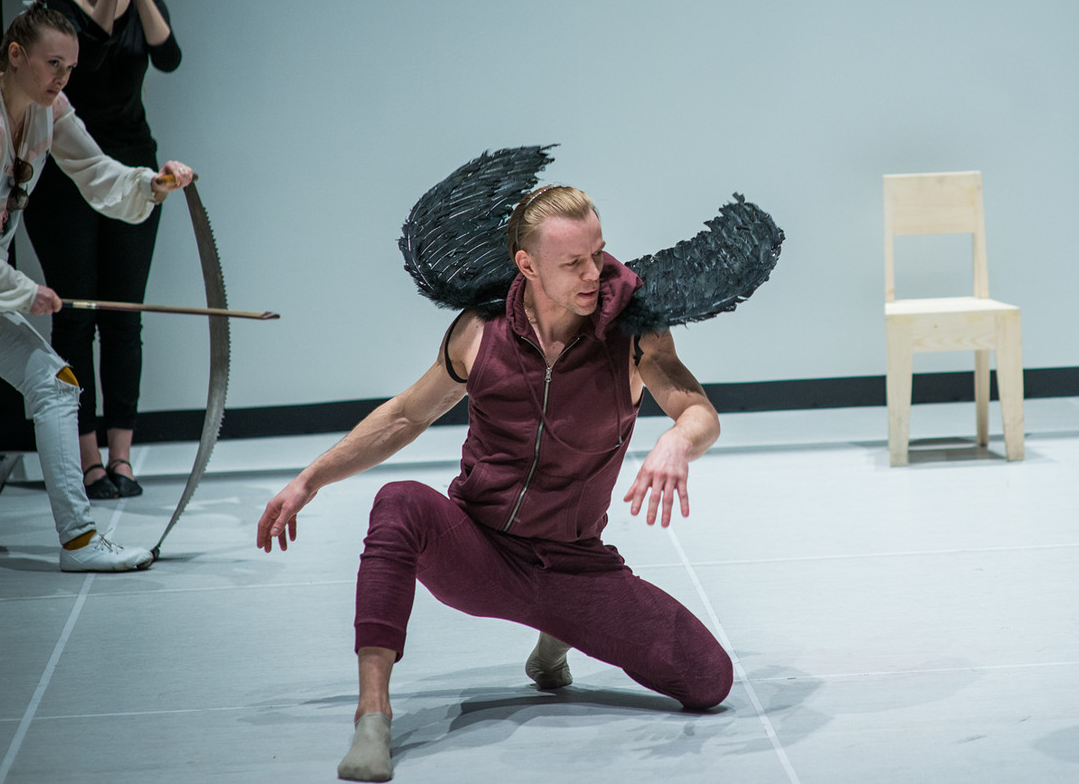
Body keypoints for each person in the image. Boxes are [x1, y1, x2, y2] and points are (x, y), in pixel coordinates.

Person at [259, 186, 735, 783]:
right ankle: (373, 716)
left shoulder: (634, 332)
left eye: (598, 253)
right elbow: (406, 415)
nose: (594, 273)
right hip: (478, 551)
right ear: (527, 265)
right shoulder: (480, 331)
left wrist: (678, 440)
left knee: (709, 681)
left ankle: (556, 635)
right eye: (573, 262)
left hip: (572, 566)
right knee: (399, 501)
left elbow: (699, 412)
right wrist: (311, 479)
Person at [0, 0, 194, 570]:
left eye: (69, 67)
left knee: (53, 383)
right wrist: (23, 290)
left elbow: (94, 171)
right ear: (15, 55)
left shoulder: (48, 110)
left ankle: (79, 540)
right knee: (43, 386)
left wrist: (151, 185)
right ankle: (80, 540)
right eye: (53, 65)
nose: (62, 79)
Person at [21, 0, 183, 500]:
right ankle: (85, 459)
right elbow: (87, 57)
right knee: (76, 316)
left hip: (133, 162)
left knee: (124, 317)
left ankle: (122, 457)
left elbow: (168, 56)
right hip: (66, 170)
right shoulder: (51, 4)